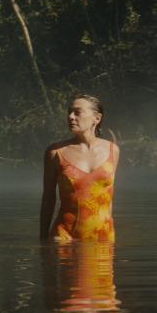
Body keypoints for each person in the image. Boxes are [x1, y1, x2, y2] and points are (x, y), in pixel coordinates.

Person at [40, 94, 120, 243]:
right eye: (69, 112)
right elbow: (48, 198)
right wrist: (43, 240)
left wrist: (110, 235)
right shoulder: (56, 152)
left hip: (103, 238)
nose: (70, 117)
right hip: (65, 239)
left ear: (97, 118)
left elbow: (109, 198)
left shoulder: (112, 150)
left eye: (77, 112)